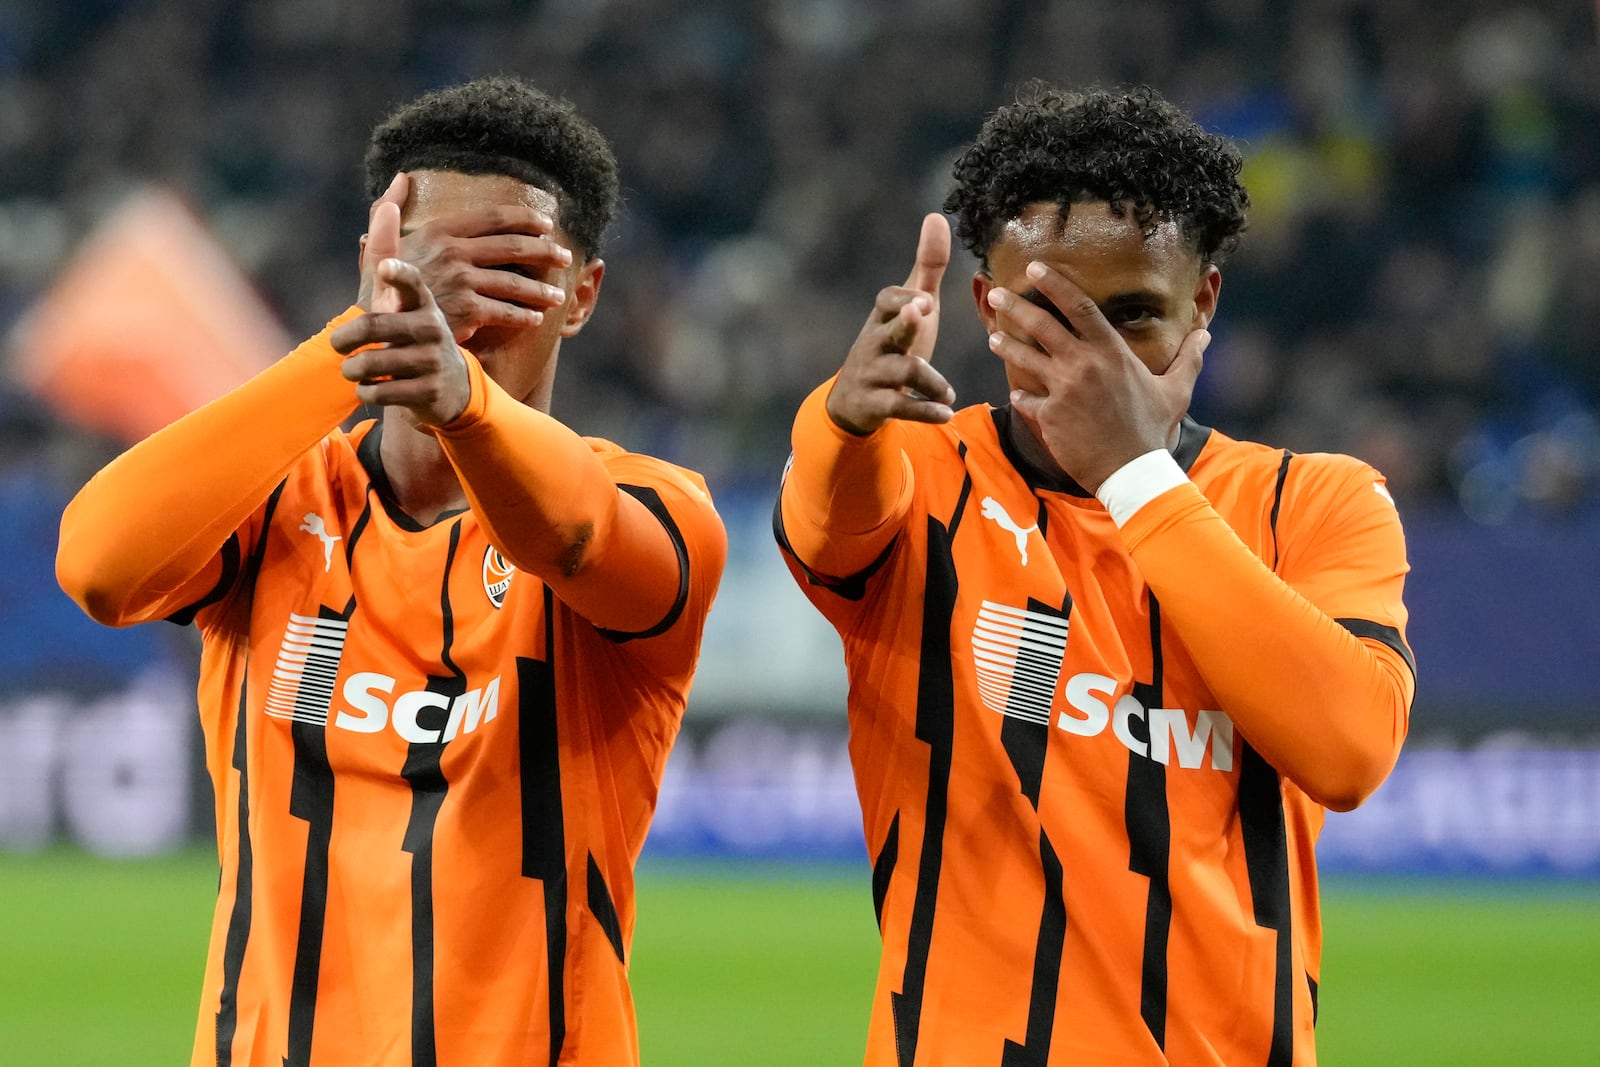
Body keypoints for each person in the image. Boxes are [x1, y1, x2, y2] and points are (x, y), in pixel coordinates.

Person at [57, 76, 726, 1067]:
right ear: (375, 266)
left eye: (512, 269)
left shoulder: (659, 510)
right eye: (435, 266)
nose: (466, 306)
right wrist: (350, 347)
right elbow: (99, 566)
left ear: (583, 296)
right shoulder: (276, 505)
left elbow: (574, 539)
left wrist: (467, 408)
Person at [774, 82, 1414, 1065]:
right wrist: (839, 416)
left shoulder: (1317, 502)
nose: (1093, 361)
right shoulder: (923, 472)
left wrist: (1132, 472)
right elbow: (825, 525)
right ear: (984, 303)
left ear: (1203, 297)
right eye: (1046, 319)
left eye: (1132, 316)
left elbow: (1349, 749)